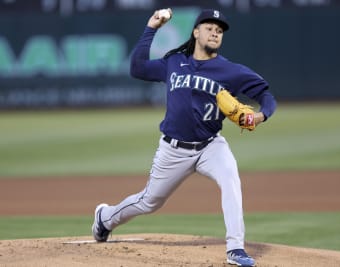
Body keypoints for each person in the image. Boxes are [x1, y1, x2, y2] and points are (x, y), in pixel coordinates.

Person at [92, 8, 277, 267]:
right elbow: (137, 68)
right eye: (210, 27)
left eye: (220, 30)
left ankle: (235, 248)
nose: (215, 31)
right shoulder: (174, 62)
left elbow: (267, 96)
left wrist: (261, 115)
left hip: (211, 146)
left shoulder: (231, 71)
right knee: (149, 201)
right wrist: (151, 28)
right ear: (195, 32)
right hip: (173, 150)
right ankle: (105, 218)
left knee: (231, 180)